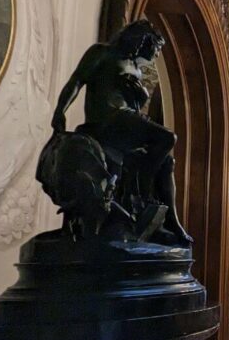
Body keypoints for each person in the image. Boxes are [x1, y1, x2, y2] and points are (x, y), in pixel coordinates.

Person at [51, 20, 191, 243]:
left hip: (125, 125)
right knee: (167, 138)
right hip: (106, 120)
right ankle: (142, 195)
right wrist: (60, 110)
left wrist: (140, 96)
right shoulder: (103, 53)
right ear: (143, 40)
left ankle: (170, 220)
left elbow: (133, 109)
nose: (156, 55)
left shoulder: (136, 69)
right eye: (155, 48)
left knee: (167, 163)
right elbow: (76, 81)